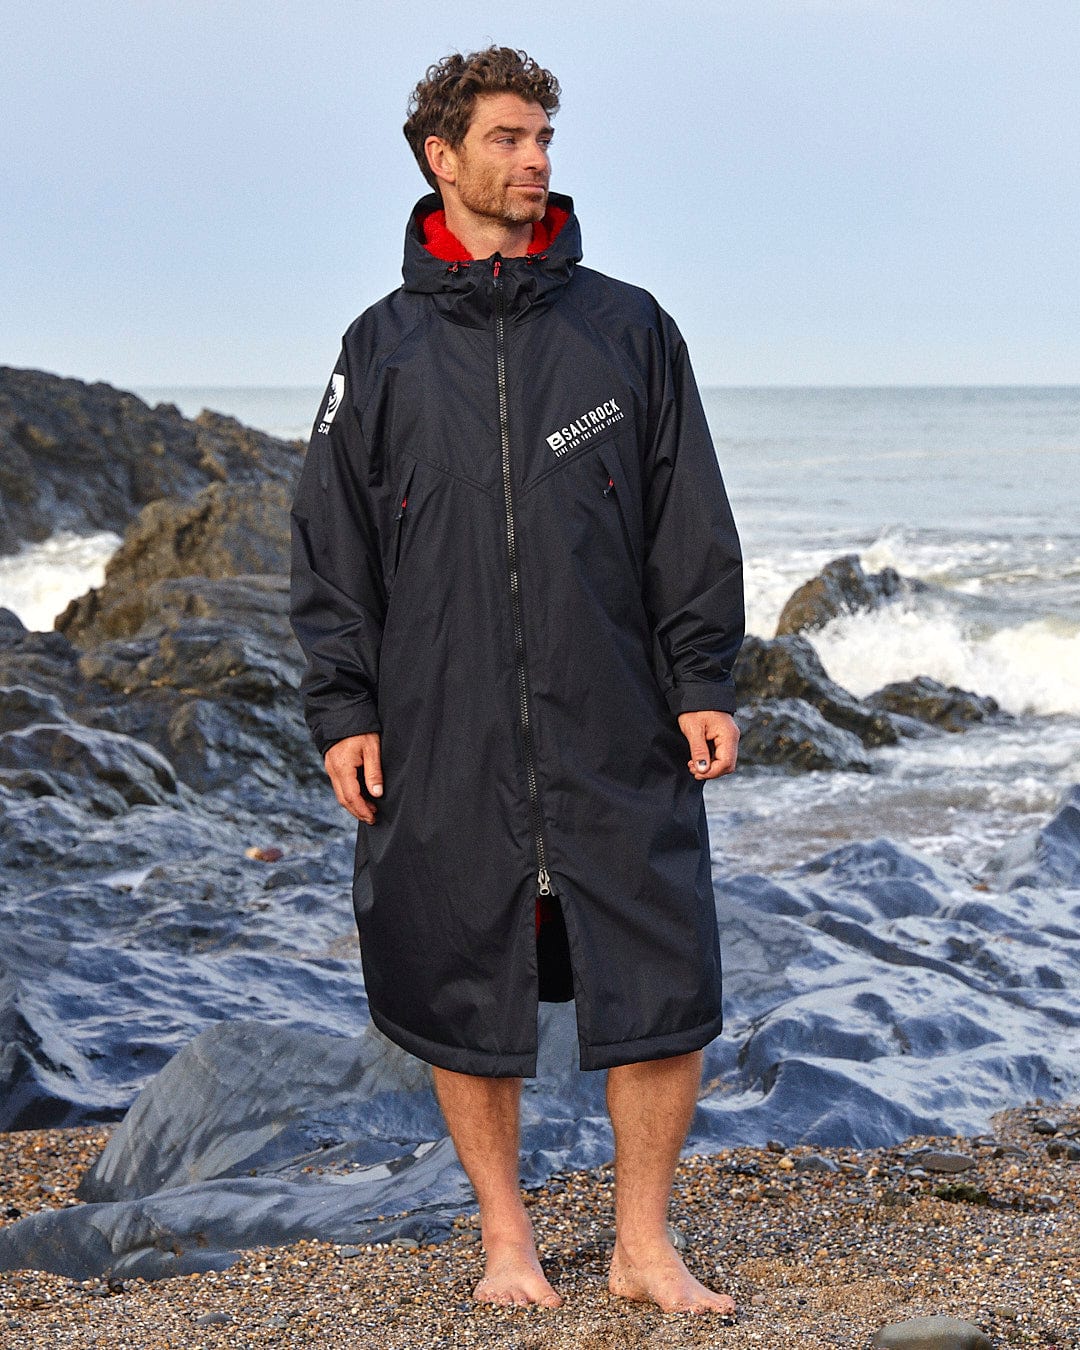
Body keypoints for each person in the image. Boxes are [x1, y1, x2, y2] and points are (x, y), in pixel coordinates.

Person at [290, 46, 744, 1315]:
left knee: (660, 973)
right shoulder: (379, 348)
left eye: (543, 135)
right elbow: (331, 547)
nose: (536, 158)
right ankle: (508, 1243)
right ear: (441, 158)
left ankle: (643, 1246)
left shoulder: (628, 328)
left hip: (614, 715)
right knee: (458, 971)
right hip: (442, 720)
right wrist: (344, 707)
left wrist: (703, 677)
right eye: (507, 137)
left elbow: (689, 519)